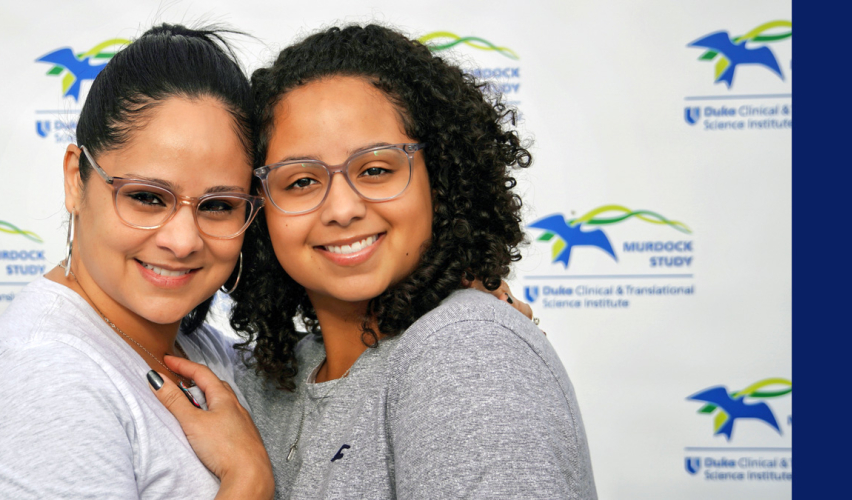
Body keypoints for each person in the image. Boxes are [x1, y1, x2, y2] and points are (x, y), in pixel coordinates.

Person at [158, 24, 596, 499]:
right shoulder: (263, 380)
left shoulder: (465, 354)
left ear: (441, 178)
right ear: (259, 208)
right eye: (301, 181)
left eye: (376, 169)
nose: (343, 209)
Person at [0, 24, 273, 499]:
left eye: (218, 205)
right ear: (75, 179)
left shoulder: (200, 348)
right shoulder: (39, 381)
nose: (183, 240)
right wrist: (247, 479)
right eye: (148, 197)